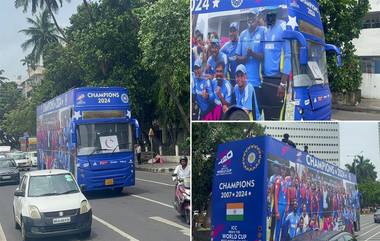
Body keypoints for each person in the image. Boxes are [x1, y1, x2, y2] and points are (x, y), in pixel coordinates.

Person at [262, 9, 291, 120]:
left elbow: (289, 55)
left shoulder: (283, 27)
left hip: (278, 80)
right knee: (267, 116)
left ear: (275, 14)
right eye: (266, 15)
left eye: (269, 15)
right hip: (265, 79)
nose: (267, 18)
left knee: (277, 117)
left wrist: (283, 84)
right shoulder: (266, 30)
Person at [236, 12, 265, 112]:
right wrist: (246, 56)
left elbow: (264, 56)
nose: (250, 19)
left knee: (257, 113)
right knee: (244, 113)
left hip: (257, 83)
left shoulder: (263, 31)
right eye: (248, 17)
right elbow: (237, 58)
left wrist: (252, 53)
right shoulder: (243, 34)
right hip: (243, 83)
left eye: (252, 16)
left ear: (257, 18)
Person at [220, 22, 239, 86]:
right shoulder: (226, 45)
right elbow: (219, 55)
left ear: (237, 32)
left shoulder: (241, 43)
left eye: (234, 31)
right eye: (230, 31)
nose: (232, 33)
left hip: (241, 78)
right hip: (231, 78)